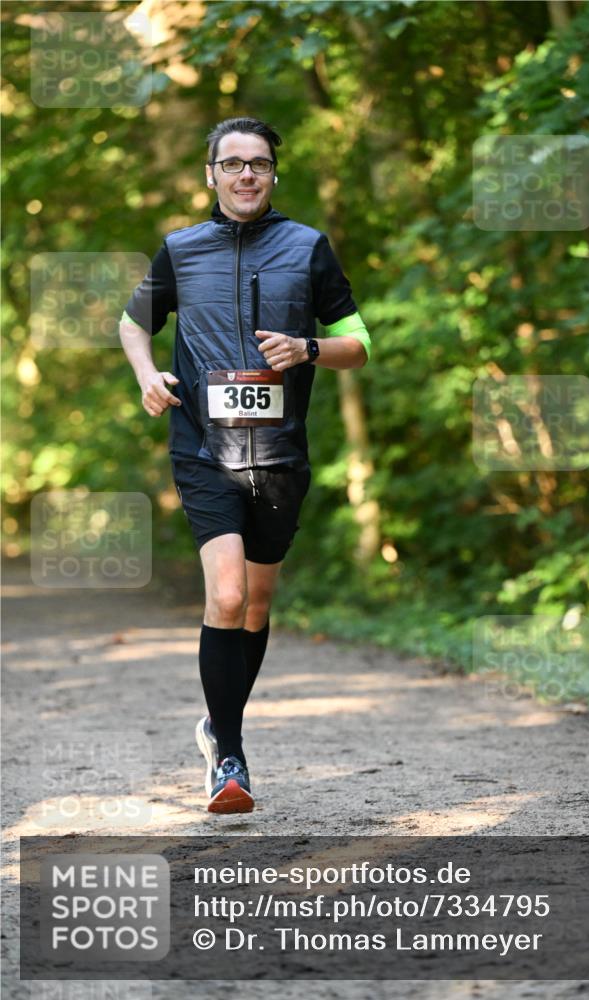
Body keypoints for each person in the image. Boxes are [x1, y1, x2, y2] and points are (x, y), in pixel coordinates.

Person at [119, 116, 371, 815]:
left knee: (257, 605)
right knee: (226, 596)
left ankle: (215, 723)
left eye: (257, 163)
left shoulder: (307, 248)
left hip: (281, 454)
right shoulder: (181, 250)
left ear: (272, 175)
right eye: (231, 164)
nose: (245, 175)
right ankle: (228, 755)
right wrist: (146, 374)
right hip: (203, 446)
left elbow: (359, 341)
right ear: (211, 175)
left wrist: (310, 349)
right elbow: (132, 321)